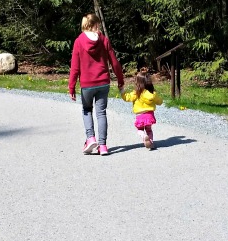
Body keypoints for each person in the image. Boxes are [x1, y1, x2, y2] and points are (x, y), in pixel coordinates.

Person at [69, 13, 125, 155]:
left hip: (87, 84)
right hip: (103, 82)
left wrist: (72, 86)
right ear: (94, 25)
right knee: (101, 113)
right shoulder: (103, 40)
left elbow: (75, 67)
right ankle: (103, 146)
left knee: (87, 110)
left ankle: (90, 138)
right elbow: (114, 62)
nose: (99, 27)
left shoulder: (78, 41)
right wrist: (120, 80)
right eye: (98, 24)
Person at [121, 67, 163, 150]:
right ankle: (150, 142)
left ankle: (144, 136)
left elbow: (127, 97)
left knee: (140, 130)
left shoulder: (136, 93)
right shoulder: (152, 94)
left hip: (140, 115)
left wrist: (122, 90)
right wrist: (159, 100)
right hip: (149, 115)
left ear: (138, 83)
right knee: (149, 130)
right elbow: (160, 102)